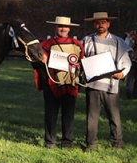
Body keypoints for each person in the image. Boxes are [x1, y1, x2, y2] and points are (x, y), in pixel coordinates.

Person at [82, 12, 132, 151]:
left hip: (111, 84)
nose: (100, 25)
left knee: (114, 117)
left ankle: (117, 143)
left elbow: (126, 61)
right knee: (92, 117)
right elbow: (80, 58)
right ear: (94, 24)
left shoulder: (118, 41)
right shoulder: (86, 40)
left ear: (108, 24)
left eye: (103, 22)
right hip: (93, 85)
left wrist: (122, 73)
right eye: (97, 22)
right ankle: (91, 144)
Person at [33, 16, 84, 149]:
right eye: (60, 26)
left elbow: (83, 61)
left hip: (70, 82)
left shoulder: (77, 45)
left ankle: (67, 141)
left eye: (65, 26)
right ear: (56, 27)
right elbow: (35, 63)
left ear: (69, 28)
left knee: (68, 113)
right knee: (51, 113)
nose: (63, 29)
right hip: (51, 82)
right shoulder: (45, 44)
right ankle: (50, 141)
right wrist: (40, 61)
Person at [126, 28, 136, 99]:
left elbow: (126, 45)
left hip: (133, 58)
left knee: (131, 76)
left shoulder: (132, 34)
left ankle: (131, 91)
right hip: (134, 58)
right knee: (131, 76)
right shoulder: (132, 34)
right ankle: (131, 92)